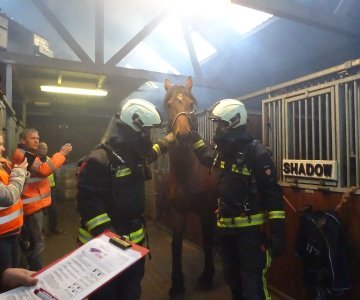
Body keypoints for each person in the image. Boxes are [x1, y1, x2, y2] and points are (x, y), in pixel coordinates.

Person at [77, 99, 174, 300]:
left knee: (131, 293)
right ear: (135, 127)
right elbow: (88, 204)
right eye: (146, 131)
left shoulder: (132, 154)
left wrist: (166, 142)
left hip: (133, 249)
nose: (148, 136)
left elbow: (150, 154)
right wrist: (111, 241)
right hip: (102, 251)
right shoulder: (99, 159)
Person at [191, 99, 286, 300]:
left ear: (233, 122)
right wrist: (193, 136)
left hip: (250, 233)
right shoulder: (224, 152)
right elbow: (207, 157)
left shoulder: (257, 153)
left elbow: (273, 194)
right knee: (232, 279)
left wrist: (277, 234)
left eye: (220, 124)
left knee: (253, 286)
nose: (217, 129)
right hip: (226, 230)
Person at [12, 128, 72, 271]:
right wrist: (61, 154)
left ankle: (27, 269)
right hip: (31, 207)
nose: (37, 141)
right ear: (22, 140)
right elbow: (44, 170)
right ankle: (35, 273)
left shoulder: (30, 154)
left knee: (30, 243)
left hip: (33, 205)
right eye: (33, 138)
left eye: (38, 138)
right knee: (37, 244)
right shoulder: (25, 154)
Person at [0, 133, 29, 272]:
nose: (3, 149)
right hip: (2, 238)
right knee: (6, 280)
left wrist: (23, 173)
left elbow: (16, 188)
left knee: (15, 272)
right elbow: (8, 196)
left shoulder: (2, 164)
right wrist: (19, 173)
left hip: (12, 231)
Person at [37, 142, 63, 235]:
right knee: (42, 212)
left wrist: (56, 186)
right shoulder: (36, 161)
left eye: (46, 149)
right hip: (40, 190)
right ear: (38, 149)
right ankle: (42, 231)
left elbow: (54, 174)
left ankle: (54, 228)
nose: (45, 150)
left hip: (51, 189)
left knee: (53, 210)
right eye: (43, 148)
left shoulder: (49, 160)